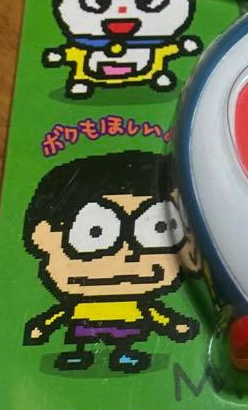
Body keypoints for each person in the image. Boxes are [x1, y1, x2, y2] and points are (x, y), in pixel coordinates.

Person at [22, 151, 202, 373]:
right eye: (94, 232)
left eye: (158, 228)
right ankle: (79, 355)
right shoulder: (77, 304)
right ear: (43, 236)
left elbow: (158, 315)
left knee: (123, 344)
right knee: (81, 343)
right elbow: (57, 315)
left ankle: (123, 354)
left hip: (129, 325)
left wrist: (176, 325)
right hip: (83, 325)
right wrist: (42, 327)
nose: (128, 253)